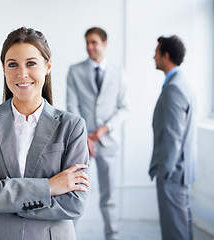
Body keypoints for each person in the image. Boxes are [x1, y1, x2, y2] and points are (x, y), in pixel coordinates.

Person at [0, 27, 90, 240]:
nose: (22, 74)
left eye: (31, 63)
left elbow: (74, 204)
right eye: (12, 65)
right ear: (3, 68)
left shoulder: (72, 126)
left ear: (48, 66)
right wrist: (50, 186)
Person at [66, 27, 128, 240]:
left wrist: (105, 128)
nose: (90, 47)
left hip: (108, 142)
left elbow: (123, 108)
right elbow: (71, 106)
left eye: (94, 42)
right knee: (76, 193)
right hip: (82, 144)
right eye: (87, 42)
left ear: (104, 43)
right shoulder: (75, 70)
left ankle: (113, 236)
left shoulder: (118, 72)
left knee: (109, 196)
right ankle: (68, 235)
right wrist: (84, 136)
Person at [149, 35, 196, 240]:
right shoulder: (181, 82)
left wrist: (164, 173)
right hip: (181, 170)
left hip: (173, 173)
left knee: (174, 230)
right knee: (181, 226)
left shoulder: (174, 88)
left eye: (157, 53)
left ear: (166, 56)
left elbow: (173, 136)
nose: (154, 57)